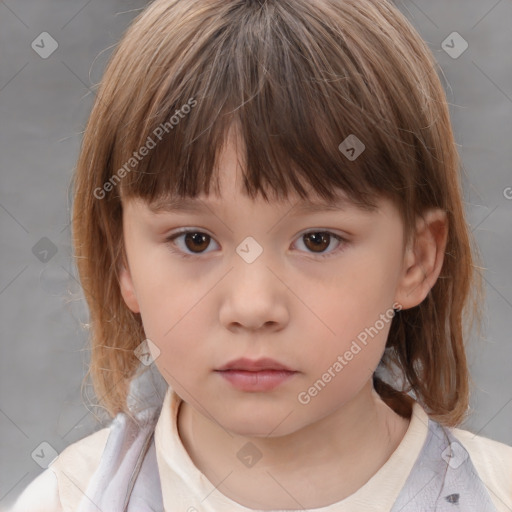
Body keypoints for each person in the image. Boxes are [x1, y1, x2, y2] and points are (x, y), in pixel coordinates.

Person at [10, 0, 512, 510]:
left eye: (318, 240)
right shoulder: (67, 499)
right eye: (195, 240)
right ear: (123, 259)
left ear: (416, 260)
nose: (252, 308)